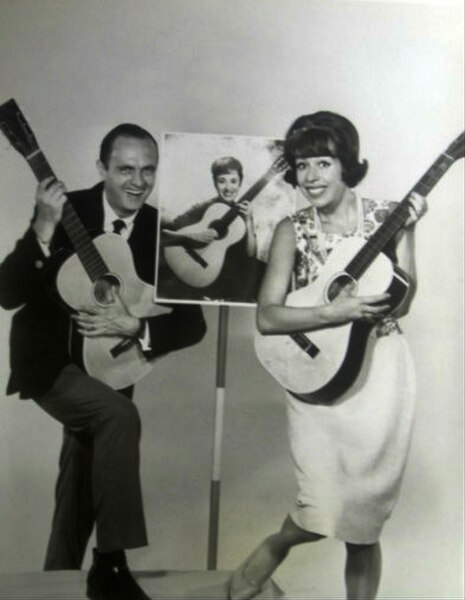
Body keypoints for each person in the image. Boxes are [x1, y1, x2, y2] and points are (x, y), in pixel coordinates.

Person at [0, 123, 206, 600]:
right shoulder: (68, 209)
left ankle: (56, 579)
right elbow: (7, 293)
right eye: (125, 169)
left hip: (112, 361)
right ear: (102, 169)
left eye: (148, 170)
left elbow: (193, 324)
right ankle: (111, 565)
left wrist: (134, 327)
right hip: (51, 362)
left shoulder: (159, 229)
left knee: (83, 469)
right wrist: (43, 228)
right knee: (118, 415)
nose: (138, 181)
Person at [228, 111, 427, 600]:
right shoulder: (290, 230)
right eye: (302, 165)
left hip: (380, 376)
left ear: (347, 166)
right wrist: (333, 313)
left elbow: (402, 300)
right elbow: (269, 317)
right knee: (322, 505)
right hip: (316, 376)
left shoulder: (388, 216)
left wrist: (409, 235)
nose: (311, 177)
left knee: (364, 517)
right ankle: (273, 550)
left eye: (323, 162)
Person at [159, 156, 264, 303]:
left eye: (233, 181)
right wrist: (193, 236)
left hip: (223, 279)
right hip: (197, 276)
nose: (228, 188)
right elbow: (166, 234)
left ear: (240, 183)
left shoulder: (243, 215)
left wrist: (249, 220)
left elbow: (250, 254)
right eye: (222, 181)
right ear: (215, 183)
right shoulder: (204, 208)